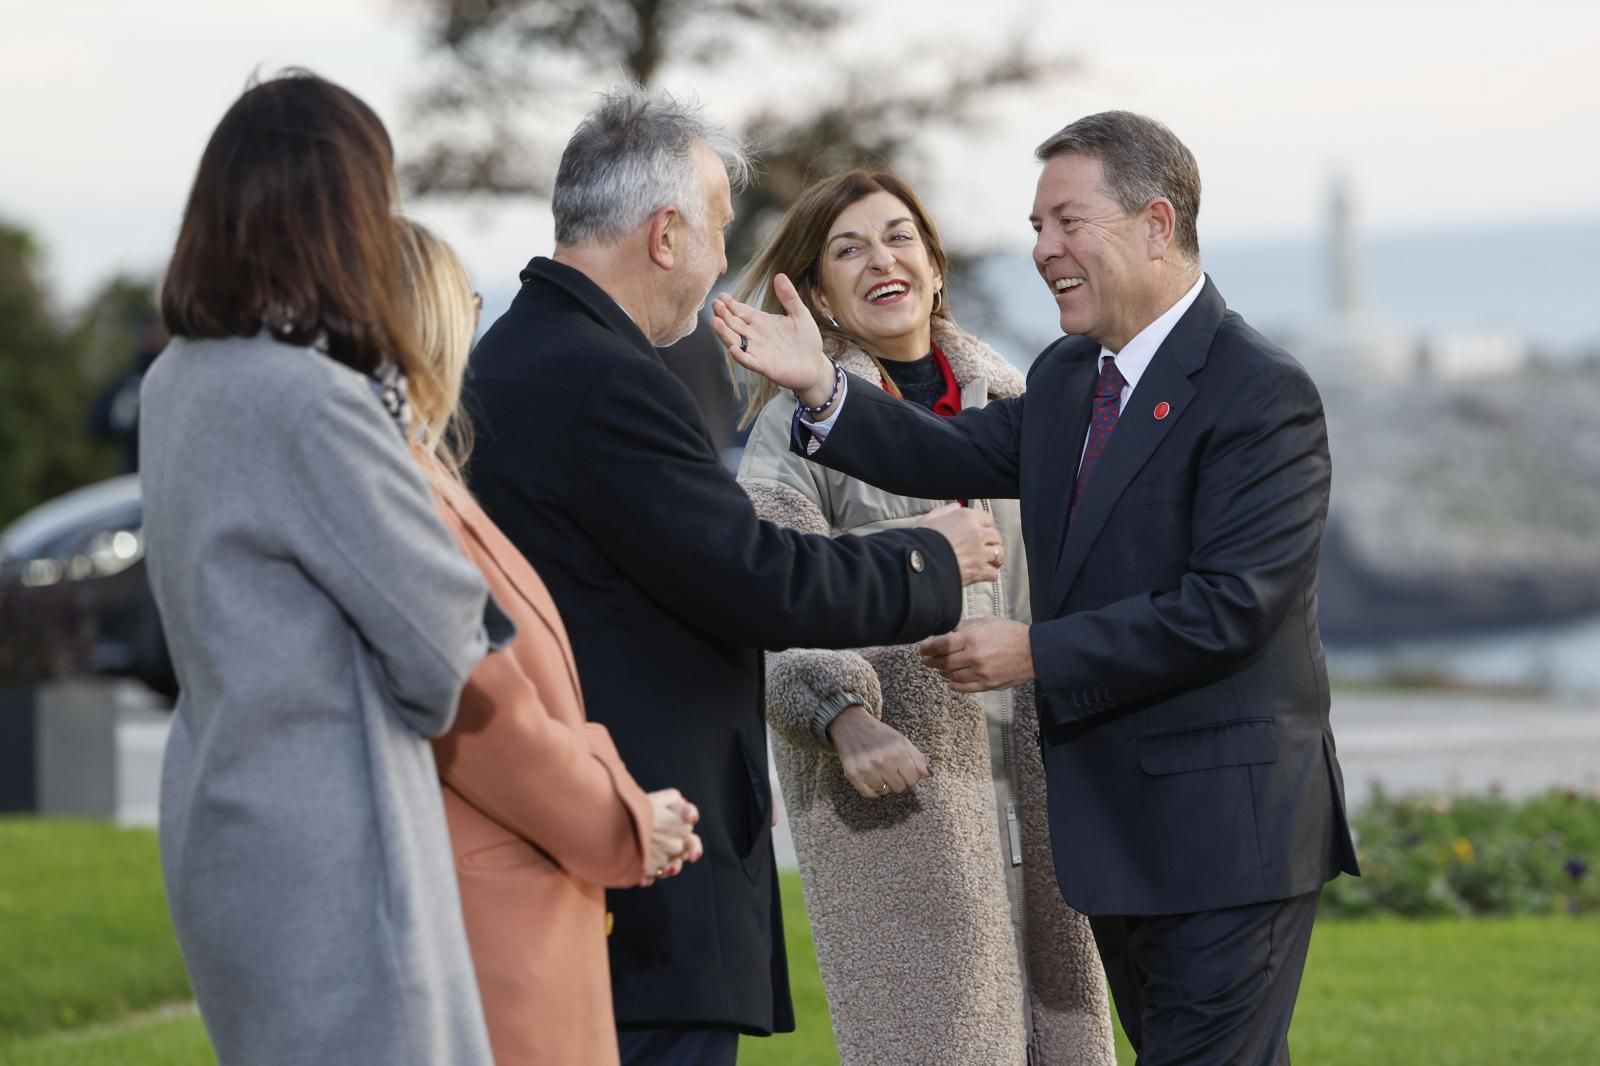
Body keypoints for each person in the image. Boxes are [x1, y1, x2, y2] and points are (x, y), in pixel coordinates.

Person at [716, 110, 1361, 1065]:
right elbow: (938, 449)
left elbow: (1233, 606)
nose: (1043, 250)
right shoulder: (1066, 379)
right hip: (1113, 842)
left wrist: (1034, 653)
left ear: (1156, 223)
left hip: (1232, 837)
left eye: (1066, 223)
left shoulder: (1260, 390)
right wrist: (822, 389)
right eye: (1035, 229)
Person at [464, 86, 1006, 1066]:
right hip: (643, 859)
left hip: (583, 842)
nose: (723, 264)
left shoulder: (512, 357)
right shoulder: (606, 379)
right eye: (716, 231)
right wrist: (931, 554)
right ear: (666, 234)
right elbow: (754, 575)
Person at [139, 71, 502, 1065]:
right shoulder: (310, 401)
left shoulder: (178, 379)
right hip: (338, 845)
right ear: (341, 210)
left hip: (223, 813)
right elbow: (441, 639)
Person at [732, 169, 1115, 1066]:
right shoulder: (792, 433)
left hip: (1044, 788)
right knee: (939, 1044)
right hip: (895, 797)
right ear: (819, 295)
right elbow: (763, 597)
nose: (881, 261)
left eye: (899, 237)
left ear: (936, 266)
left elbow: (1087, 578)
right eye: (848, 249)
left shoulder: (1027, 404)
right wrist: (843, 713)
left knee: (1067, 1039)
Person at [394, 217, 705, 1066]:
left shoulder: (413, 476)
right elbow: (485, 709)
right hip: (498, 896)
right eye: (465, 303)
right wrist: (627, 818)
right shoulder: (403, 491)